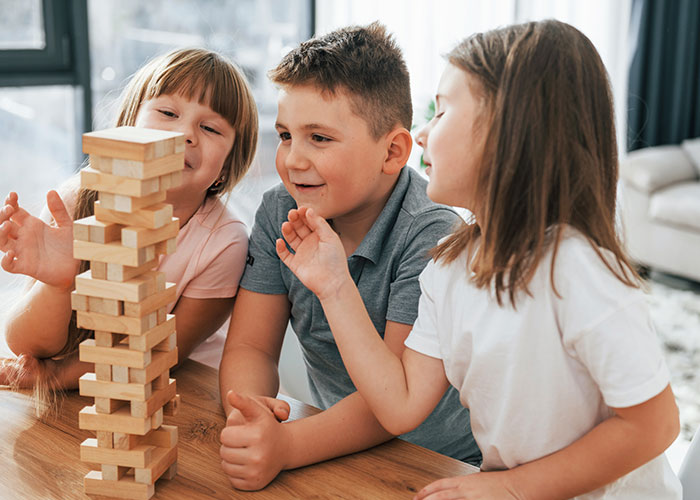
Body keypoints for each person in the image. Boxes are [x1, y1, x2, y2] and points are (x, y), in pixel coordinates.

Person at [276, 20, 682, 500]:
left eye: (441, 112)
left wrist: (509, 488)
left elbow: (654, 426)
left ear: (509, 132)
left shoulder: (576, 269)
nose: (422, 134)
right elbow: (401, 404)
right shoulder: (448, 267)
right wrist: (335, 287)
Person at [218, 22, 480, 490]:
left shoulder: (431, 233)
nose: (293, 160)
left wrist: (288, 446)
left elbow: (394, 401)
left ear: (393, 151)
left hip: (440, 463)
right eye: (284, 135)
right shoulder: (279, 209)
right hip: (332, 447)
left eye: (319, 138)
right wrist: (248, 412)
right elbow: (251, 347)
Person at [0, 48, 258, 399]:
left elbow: (164, 352)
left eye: (210, 128)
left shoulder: (224, 243)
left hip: (178, 394)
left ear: (226, 167)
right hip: (86, 393)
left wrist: (58, 375)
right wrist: (59, 285)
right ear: (128, 126)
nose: (185, 134)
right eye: (168, 112)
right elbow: (24, 344)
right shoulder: (76, 203)